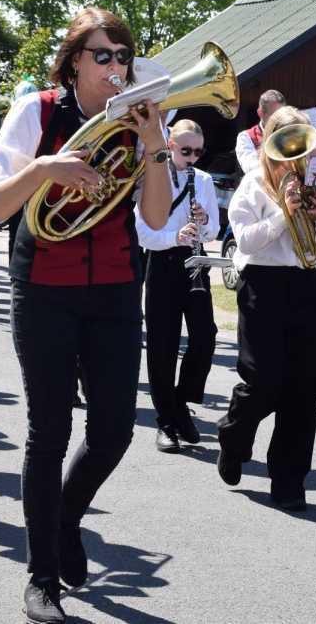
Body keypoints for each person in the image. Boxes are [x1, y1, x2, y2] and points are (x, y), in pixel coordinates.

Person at [0, 7, 172, 624]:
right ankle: (41, 579)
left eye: (123, 56)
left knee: (115, 429)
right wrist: (44, 168)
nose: (116, 67)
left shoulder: (141, 117)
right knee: (49, 429)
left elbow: (158, 221)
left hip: (115, 287)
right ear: (74, 63)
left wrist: (155, 146)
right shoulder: (36, 112)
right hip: (44, 288)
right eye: (103, 55)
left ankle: (64, 518)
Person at [216, 105, 316, 512]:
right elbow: (246, 242)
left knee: (305, 390)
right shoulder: (253, 184)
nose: (295, 155)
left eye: (301, 142)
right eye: (287, 143)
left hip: (309, 285)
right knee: (262, 382)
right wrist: (282, 217)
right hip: (264, 286)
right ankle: (234, 437)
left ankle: (289, 480)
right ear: (270, 144)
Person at [135, 119, 220, 453]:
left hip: (195, 263)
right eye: (186, 151)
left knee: (205, 336)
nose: (193, 157)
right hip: (163, 263)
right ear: (170, 145)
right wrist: (175, 235)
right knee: (162, 346)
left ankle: (181, 403)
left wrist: (202, 223)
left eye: (198, 151)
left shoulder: (204, 180)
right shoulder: (152, 178)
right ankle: (165, 422)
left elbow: (214, 229)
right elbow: (143, 233)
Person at [234, 89, 285, 175]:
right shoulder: (245, 136)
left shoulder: (288, 133)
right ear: (260, 113)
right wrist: (273, 143)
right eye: (275, 115)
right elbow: (249, 168)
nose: (280, 119)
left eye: (282, 114)